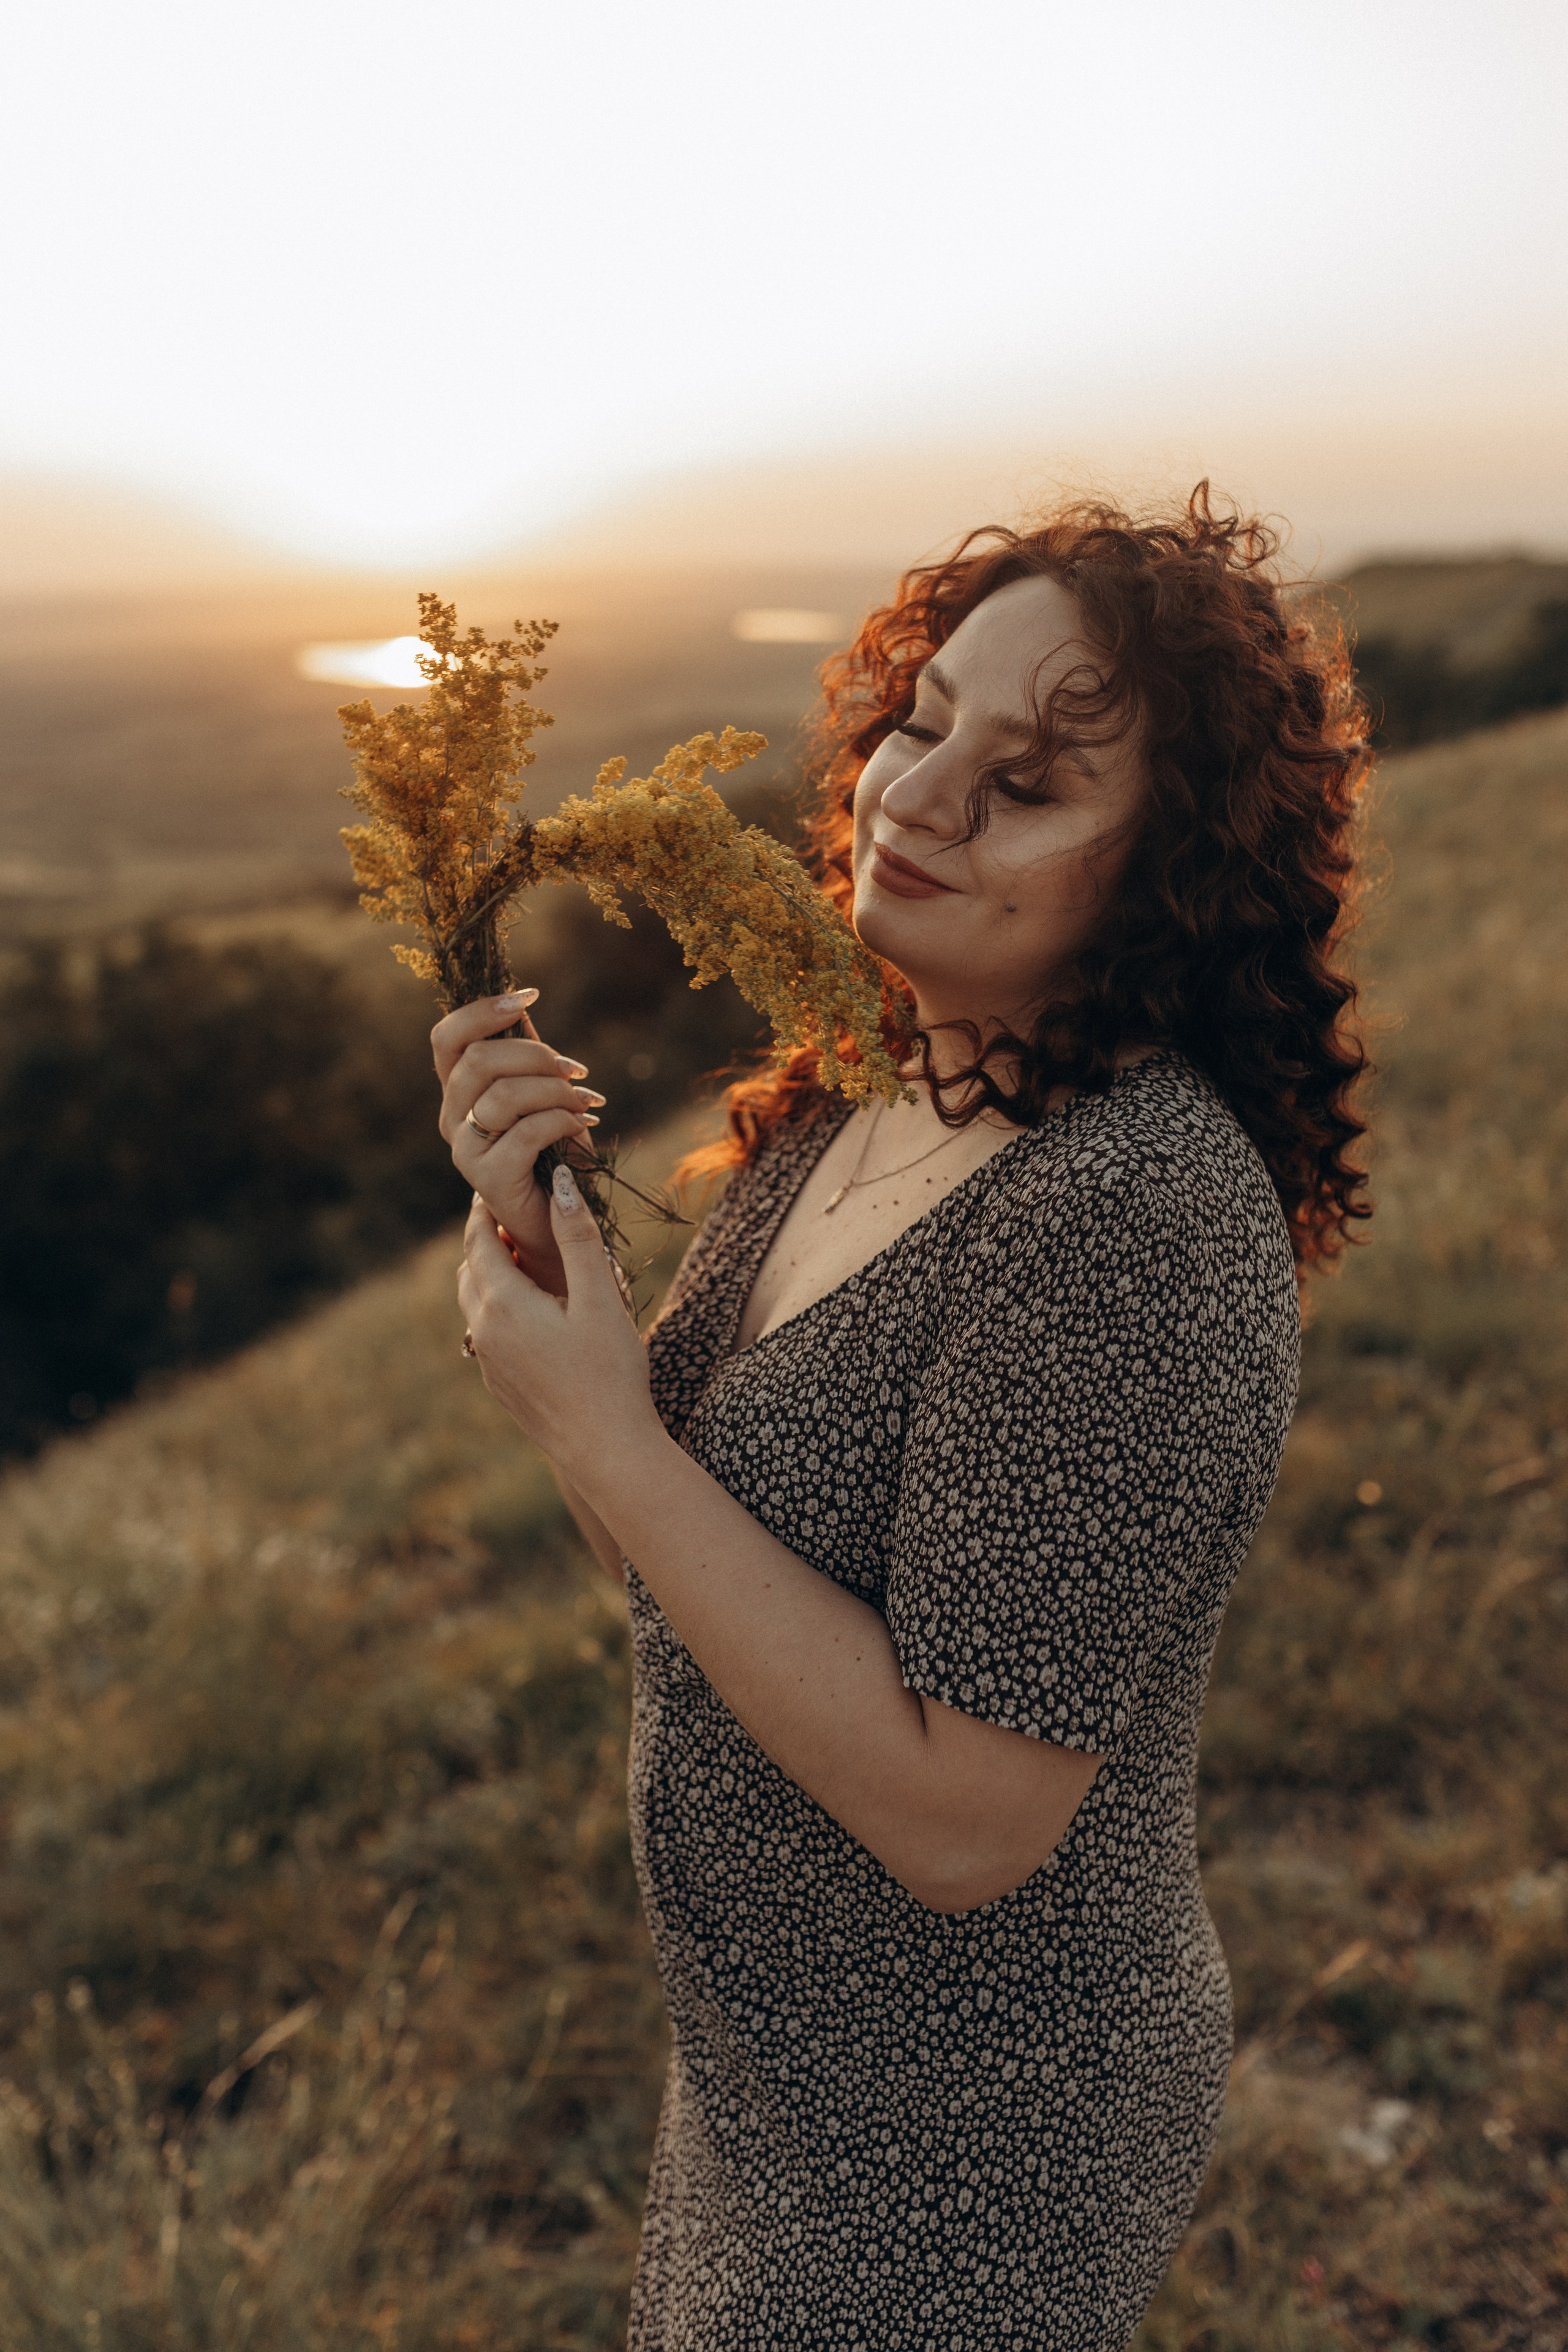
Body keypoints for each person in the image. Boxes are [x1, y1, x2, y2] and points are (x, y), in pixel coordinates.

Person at [433, 488, 1371, 2350]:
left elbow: (968, 1821)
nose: (918, 794)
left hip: (972, 2132)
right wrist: (557, 1313)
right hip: (772, 2075)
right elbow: (670, 1565)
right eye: (926, 717)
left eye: (1025, 783)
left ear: (1168, 874)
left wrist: (603, 1435)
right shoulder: (871, 1082)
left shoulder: (1134, 1213)